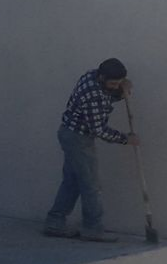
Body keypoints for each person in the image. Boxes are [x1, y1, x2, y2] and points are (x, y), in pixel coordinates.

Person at [44, 58, 137, 242]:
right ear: (102, 77)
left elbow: (108, 95)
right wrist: (125, 139)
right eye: (113, 83)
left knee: (72, 182)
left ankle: (54, 222)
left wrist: (122, 91)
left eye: (118, 83)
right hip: (78, 139)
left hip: (71, 134)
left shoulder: (92, 76)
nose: (115, 86)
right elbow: (99, 130)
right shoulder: (92, 94)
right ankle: (92, 228)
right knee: (91, 185)